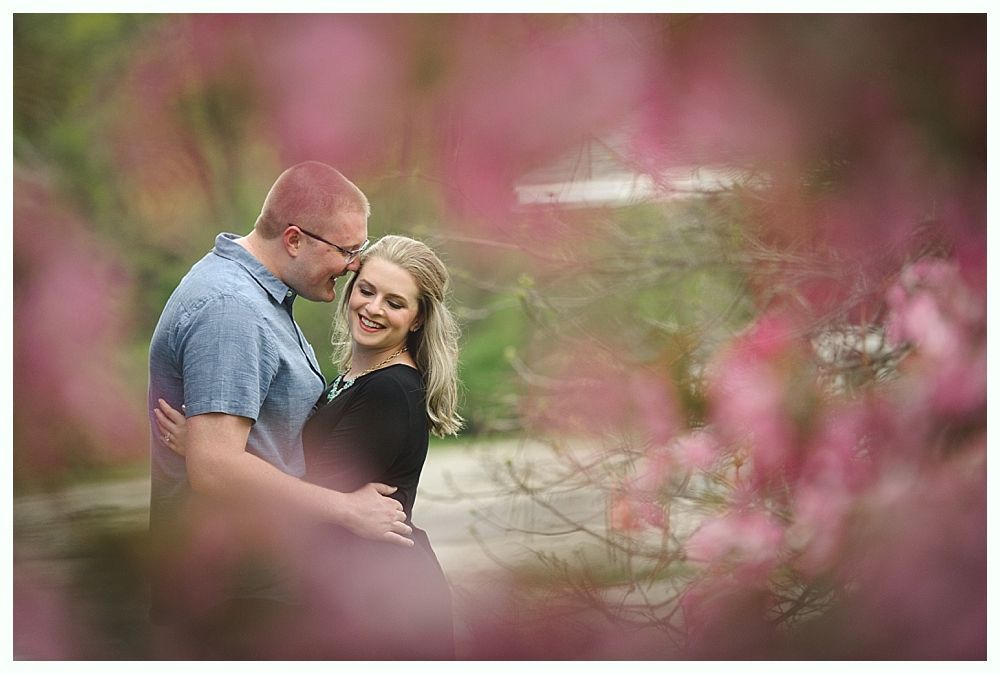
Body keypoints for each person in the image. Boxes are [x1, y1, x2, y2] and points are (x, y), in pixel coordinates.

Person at [146, 162, 412, 656]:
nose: (355, 266)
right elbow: (215, 466)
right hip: (237, 592)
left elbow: (231, 449)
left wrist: (206, 449)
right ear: (294, 239)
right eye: (348, 251)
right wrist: (347, 509)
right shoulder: (233, 309)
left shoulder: (258, 299)